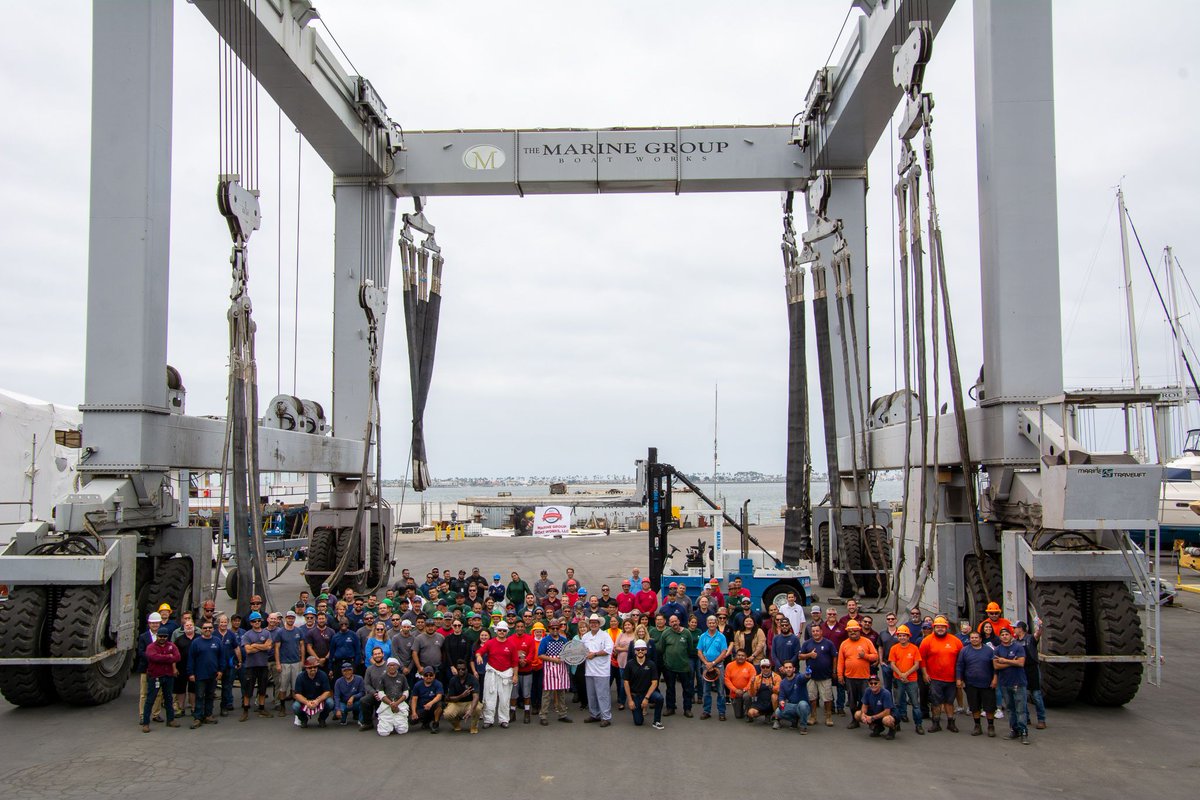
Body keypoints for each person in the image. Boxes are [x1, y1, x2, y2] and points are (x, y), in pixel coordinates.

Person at [919, 615, 963, 733]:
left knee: (949, 702)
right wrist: (924, 674)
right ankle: (936, 723)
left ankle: (950, 723)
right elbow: (921, 659)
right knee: (936, 702)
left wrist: (960, 677)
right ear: (934, 627)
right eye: (938, 627)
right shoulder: (927, 641)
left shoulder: (956, 641)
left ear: (947, 627)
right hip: (934, 678)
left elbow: (961, 660)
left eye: (942, 627)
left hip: (951, 679)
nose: (940, 629)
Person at [837, 620, 878, 729]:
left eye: (855, 630)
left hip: (864, 677)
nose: (853, 633)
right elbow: (840, 661)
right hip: (850, 677)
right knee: (851, 701)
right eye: (850, 631)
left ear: (859, 630)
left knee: (866, 700)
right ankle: (855, 720)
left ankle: (870, 721)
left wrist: (865, 656)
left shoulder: (867, 642)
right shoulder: (844, 644)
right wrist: (840, 675)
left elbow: (875, 656)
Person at [477, 620, 518, 728]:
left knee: (505, 699)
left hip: (506, 674)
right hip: (492, 674)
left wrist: (515, 675)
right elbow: (480, 651)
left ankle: (504, 720)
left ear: (507, 631)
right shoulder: (490, 643)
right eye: (499, 630)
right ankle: (488, 720)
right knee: (489, 698)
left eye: (504, 630)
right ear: (496, 631)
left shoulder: (511, 644)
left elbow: (515, 662)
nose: (501, 632)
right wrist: (479, 656)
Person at [993, 625, 1030, 744]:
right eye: (1002, 635)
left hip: (1018, 683)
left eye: (1006, 634)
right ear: (1000, 637)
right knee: (1010, 709)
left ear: (1011, 635)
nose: (1004, 636)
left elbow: (1021, 663)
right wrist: (1012, 662)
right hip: (1005, 683)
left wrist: (1005, 661)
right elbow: (996, 666)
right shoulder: (997, 649)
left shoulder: (1018, 647)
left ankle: (1023, 731)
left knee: (1021, 709)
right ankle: (1014, 730)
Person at [957, 630, 998, 737]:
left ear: (980, 639)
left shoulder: (989, 650)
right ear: (969, 639)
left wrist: (995, 679)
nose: (974, 639)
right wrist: (959, 679)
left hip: (987, 684)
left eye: (976, 638)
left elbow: (995, 667)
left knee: (989, 707)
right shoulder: (964, 651)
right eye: (972, 638)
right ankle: (977, 726)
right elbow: (960, 666)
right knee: (974, 707)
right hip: (971, 684)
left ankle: (990, 726)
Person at [141, 627, 181, 733]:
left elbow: (177, 657)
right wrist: (168, 657)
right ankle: (145, 723)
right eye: (160, 636)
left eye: (164, 636)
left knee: (168, 699)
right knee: (150, 700)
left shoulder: (172, 646)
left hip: (168, 676)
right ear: (157, 636)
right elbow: (153, 657)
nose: (162, 638)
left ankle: (170, 720)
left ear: (167, 637)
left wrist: (163, 657)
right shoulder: (151, 647)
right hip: (155, 676)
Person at [799, 623, 837, 727]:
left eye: (817, 631)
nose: (815, 633)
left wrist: (834, 671)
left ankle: (828, 717)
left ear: (821, 632)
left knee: (827, 698)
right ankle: (813, 716)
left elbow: (834, 657)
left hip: (825, 676)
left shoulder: (829, 643)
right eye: (813, 631)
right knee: (812, 698)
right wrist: (809, 655)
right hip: (811, 676)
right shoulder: (807, 643)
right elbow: (800, 656)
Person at [187, 619, 223, 727]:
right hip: (199, 675)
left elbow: (221, 657)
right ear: (201, 630)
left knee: (210, 696)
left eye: (210, 628)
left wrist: (221, 670)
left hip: (213, 674)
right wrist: (191, 673)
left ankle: (208, 715)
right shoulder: (196, 642)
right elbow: (191, 659)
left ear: (213, 629)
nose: (207, 630)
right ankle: (198, 717)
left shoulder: (217, 641)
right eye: (205, 628)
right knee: (199, 696)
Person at [537, 617, 574, 724]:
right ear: (549, 629)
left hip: (561, 669)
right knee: (546, 694)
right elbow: (540, 655)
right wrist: (553, 659)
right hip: (549, 669)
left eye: (556, 628)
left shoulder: (564, 640)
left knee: (561, 693)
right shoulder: (545, 640)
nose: (555, 630)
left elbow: (568, 653)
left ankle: (562, 714)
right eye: (552, 628)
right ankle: (543, 716)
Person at [888, 625, 924, 733]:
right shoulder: (894, 648)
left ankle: (918, 725)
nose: (902, 637)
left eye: (904, 635)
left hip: (912, 680)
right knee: (897, 704)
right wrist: (901, 675)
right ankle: (897, 724)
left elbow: (917, 664)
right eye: (900, 635)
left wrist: (906, 674)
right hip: (898, 680)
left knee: (915, 704)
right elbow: (892, 664)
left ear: (908, 637)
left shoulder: (914, 648)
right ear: (897, 637)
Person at [580, 613, 614, 726]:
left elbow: (608, 650)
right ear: (589, 624)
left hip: (602, 671)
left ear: (599, 624)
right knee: (591, 695)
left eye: (595, 622)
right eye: (591, 622)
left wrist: (594, 654)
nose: (593, 624)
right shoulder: (585, 636)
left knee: (603, 695)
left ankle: (606, 717)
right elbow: (581, 650)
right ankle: (594, 715)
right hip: (589, 671)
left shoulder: (605, 635)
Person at [659, 615, 695, 718]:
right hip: (669, 666)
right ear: (669, 623)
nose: (674, 623)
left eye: (675, 621)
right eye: (672, 622)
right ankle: (670, 707)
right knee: (670, 688)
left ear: (679, 621)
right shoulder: (666, 633)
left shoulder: (686, 633)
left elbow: (690, 648)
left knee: (687, 689)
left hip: (684, 666)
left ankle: (687, 709)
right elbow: (662, 648)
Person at [623, 639, 664, 729]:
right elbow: (626, 683)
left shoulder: (651, 664)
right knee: (638, 722)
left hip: (648, 693)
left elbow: (654, 683)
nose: (640, 651)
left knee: (659, 698)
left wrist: (646, 698)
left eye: (642, 649)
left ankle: (657, 721)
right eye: (638, 649)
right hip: (636, 695)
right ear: (634, 651)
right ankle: (639, 709)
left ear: (646, 650)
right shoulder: (630, 664)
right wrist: (630, 700)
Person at [1014, 620, 1047, 729]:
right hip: (1020, 670)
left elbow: (1039, 633)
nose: (1014, 629)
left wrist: (1040, 625)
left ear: (1021, 629)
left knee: (1036, 695)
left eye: (1015, 627)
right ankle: (1026, 718)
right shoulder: (1015, 642)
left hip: (1032, 669)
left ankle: (1041, 720)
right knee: (1023, 695)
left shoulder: (1030, 639)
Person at [696, 614, 729, 720]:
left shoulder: (721, 636)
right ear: (707, 624)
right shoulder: (702, 636)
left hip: (718, 666)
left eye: (713, 622)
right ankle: (706, 711)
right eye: (709, 622)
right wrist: (706, 663)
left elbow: (724, 652)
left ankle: (722, 712)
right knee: (706, 691)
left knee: (720, 691)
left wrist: (713, 663)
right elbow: (699, 651)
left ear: (717, 623)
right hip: (706, 666)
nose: (711, 624)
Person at [274, 609, 306, 716]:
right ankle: (282, 707)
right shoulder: (280, 632)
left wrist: (302, 661)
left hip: (296, 662)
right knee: (283, 687)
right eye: (289, 618)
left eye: (292, 618)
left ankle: (295, 706)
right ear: (286, 618)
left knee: (295, 686)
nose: (291, 620)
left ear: (294, 619)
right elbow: (277, 648)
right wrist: (278, 663)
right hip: (284, 663)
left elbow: (302, 646)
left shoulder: (298, 631)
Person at [370, 657, 410, 736]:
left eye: (393, 665)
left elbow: (406, 692)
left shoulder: (402, 677)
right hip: (386, 705)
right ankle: (388, 724)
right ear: (387, 667)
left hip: (400, 705)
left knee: (402, 730)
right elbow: (380, 693)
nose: (392, 667)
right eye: (389, 665)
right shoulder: (382, 677)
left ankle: (396, 724)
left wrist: (397, 703)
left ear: (397, 666)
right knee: (383, 733)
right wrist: (391, 703)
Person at [293, 656, 333, 728]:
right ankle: (303, 719)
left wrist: (317, 701)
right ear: (306, 668)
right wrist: (306, 702)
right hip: (305, 699)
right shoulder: (300, 677)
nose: (313, 669)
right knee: (295, 706)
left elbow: (327, 692)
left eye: (315, 667)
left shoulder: (323, 675)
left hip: (319, 699)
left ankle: (322, 719)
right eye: (310, 668)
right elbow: (297, 694)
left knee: (330, 703)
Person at [443, 659, 482, 733]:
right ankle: (456, 724)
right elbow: (449, 698)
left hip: (470, 703)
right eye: (459, 669)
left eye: (463, 669)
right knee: (447, 714)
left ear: (466, 669)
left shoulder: (473, 679)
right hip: (457, 703)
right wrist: (461, 696)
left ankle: (474, 726)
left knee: (477, 708)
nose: (461, 671)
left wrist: (471, 710)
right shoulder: (453, 680)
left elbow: (476, 697)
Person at [773, 661, 810, 732]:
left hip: (803, 706)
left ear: (794, 669)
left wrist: (807, 675)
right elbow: (781, 696)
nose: (788, 669)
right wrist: (781, 701)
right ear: (783, 669)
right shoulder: (783, 683)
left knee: (802, 704)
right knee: (778, 711)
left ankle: (803, 726)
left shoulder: (798, 678)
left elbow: (804, 678)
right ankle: (794, 720)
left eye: (790, 667)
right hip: (792, 706)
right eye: (786, 668)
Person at [857, 674, 897, 739]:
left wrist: (872, 718)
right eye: (871, 683)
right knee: (857, 714)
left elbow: (887, 712)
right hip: (876, 712)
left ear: (879, 684)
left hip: (889, 714)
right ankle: (878, 727)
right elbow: (864, 705)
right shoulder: (868, 691)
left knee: (887, 720)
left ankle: (893, 729)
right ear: (868, 684)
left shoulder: (885, 693)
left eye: (875, 683)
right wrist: (863, 715)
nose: (873, 685)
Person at [724, 649, 757, 719]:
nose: (740, 657)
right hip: (735, 693)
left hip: (746, 691)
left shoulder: (750, 666)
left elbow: (752, 681)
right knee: (738, 716)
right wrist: (735, 690)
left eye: (743, 656)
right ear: (735, 656)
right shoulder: (729, 666)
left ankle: (748, 713)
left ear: (746, 657)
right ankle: (741, 709)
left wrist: (744, 689)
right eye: (739, 655)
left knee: (747, 696)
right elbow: (726, 680)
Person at [411, 666, 444, 733]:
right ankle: (425, 722)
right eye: (426, 675)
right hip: (422, 708)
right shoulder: (418, 685)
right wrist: (414, 712)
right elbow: (414, 699)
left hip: (433, 707)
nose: (428, 677)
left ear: (434, 675)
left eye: (431, 675)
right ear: (423, 676)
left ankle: (435, 723)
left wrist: (430, 703)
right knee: (412, 721)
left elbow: (439, 696)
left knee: (440, 705)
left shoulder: (438, 684)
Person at [746, 659, 780, 724]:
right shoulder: (757, 678)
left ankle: (776, 717)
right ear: (760, 668)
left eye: (767, 667)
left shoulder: (776, 677)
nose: (765, 669)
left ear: (770, 667)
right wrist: (752, 684)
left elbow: (779, 690)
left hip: (772, 702)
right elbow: (752, 694)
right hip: (761, 702)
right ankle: (766, 713)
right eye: (763, 667)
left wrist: (771, 687)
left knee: (774, 696)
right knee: (751, 713)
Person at [333, 662, 365, 726]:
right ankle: (344, 716)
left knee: (364, 701)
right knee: (342, 721)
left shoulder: (359, 679)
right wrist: (337, 709)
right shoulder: (338, 681)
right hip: (344, 703)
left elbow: (362, 692)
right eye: (345, 671)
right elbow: (336, 696)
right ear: (342, 672)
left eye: (349, 670)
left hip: (355, 702)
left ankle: (361, 720)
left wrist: (353, 697)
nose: (347, 672)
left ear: (352, 670)